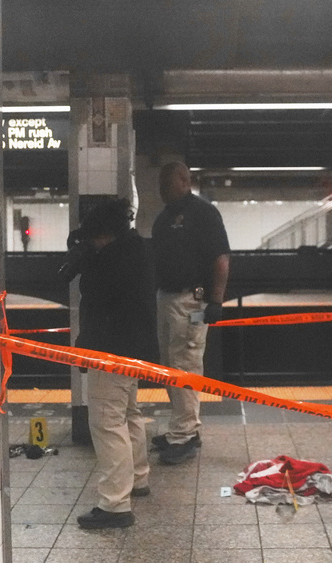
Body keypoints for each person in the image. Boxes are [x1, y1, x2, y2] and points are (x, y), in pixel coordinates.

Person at [72, 198, 160, 529]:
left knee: (107, 422)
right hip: (133, 349)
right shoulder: (137, 249)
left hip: (111, 352)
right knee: (128, 414)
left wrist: (85, 350)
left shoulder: (110, 260)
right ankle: (137, 478)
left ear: (104, 235)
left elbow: (96, 306)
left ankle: (114, 504)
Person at [150, 161, 230, 465]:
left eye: (165, 185)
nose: (160, 191)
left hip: (191, 301)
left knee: (184, 365)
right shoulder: (163, 218)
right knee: (170, 366)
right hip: (166, 298)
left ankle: (182, 436)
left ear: (184, 181)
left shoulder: (204, 213)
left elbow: (220, 259)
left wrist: (216, 301)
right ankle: (184, 428)